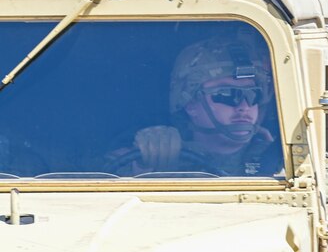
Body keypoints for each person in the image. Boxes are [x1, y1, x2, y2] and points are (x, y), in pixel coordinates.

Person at [107, 37, 280, 176]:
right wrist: (143, 170)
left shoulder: (281, 160)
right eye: (227, 94)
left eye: (253, 95)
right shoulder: (141, 159)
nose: (244, 106)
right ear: (190, 105)